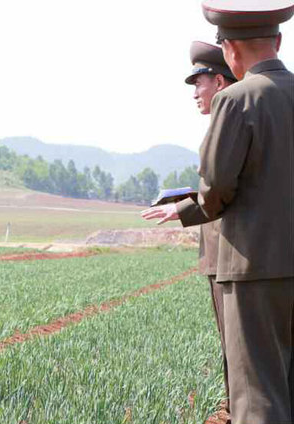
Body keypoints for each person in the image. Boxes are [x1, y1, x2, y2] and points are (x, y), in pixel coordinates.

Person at [142, 1, 294, 422]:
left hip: (252, 269)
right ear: (279, 41)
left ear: (228, 51)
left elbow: (217, 188)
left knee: (257, 396)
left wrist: (187, 210)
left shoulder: (237, 100)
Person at [184, 40, 236, 420]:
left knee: (238, 343)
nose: (194, 94)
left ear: (218, 81)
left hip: (232, 255)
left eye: (198, 83)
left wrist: (187, 208)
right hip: (231, 254)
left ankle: (236, 407)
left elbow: (220, 188)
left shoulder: (231, 117)